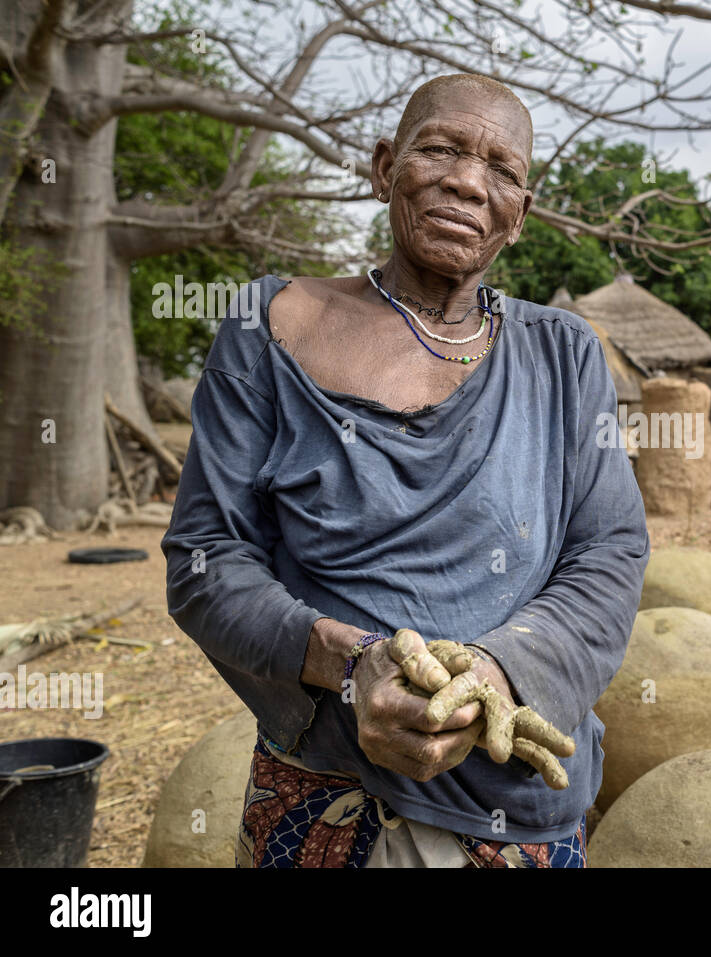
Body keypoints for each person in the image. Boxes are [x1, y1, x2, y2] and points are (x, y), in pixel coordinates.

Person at [160, 73, 649, 868]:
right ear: (385, 167)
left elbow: (610, 555)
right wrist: (351, 666)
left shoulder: (562, 355)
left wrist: (495, 671)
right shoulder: (268, 327)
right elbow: (205, 559)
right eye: (441, 148)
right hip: (319, 792)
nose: (466, 179)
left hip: (514, 803)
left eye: (501, 169)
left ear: (520, 214)